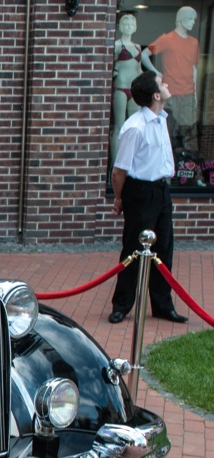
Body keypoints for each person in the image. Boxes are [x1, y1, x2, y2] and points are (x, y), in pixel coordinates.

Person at [108, 71, 187, 324]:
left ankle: (163, 306)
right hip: (140, 192)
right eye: (162, 83)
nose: (166, 84)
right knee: (133, 249)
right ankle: (121, 305)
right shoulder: (135, 126)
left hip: (162, 191)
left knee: (163, 250)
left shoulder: (162, 119)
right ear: (155, 95)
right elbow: (119, 171)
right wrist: (119, 199)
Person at [148, 6, 199, 152]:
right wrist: (156, 72)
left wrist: (195, 91)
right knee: (168, 130)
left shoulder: (194, 42)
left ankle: (188, 161)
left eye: (194, 19)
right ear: (181, 19)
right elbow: (145, 55)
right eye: (190, 19)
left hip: (188, 93)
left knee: (189, 130)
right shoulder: (167, 39)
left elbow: (193, 67)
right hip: (170, 92)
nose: (193, 22)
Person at [111, 14, 156, 164]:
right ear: (120, 27)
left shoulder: (137, 47)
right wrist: (113, 71)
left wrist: (151, 77)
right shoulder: (116, 45)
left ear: (135, 27)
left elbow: (138, 69)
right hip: (120, 87)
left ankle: (132, 162)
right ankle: (114, 165)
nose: (128, 27)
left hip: (134, 89)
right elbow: (109, 65)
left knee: (135, 126)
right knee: (119, 126)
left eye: (131, 24)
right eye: (126, 24)